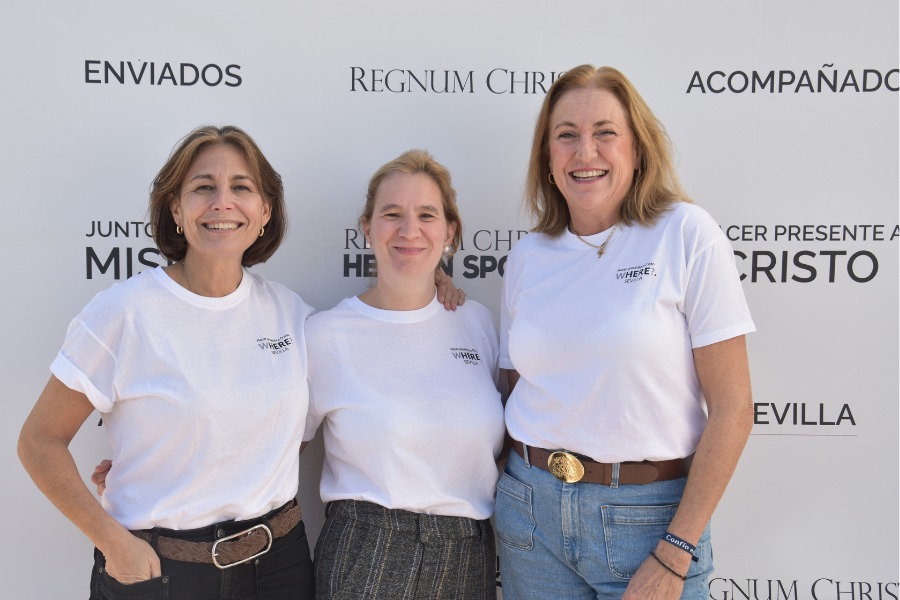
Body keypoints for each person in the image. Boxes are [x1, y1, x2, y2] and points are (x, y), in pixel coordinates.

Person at [18, 125, 317, 599]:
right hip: (159, 573)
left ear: (265, 211)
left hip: (280, 566)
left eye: (241, 187)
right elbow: (38, 441)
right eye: (203, 187)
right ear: (176, 209)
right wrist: (114, 544)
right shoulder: (124, 312)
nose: (223, 202)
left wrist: (176, 460)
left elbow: (287, 433)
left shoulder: (293, 314)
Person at [495, 65, 755, 599]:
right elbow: (510, 386)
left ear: (637, 148)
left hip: (650, 522)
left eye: (605, 133)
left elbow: (734, 408)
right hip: (530, 511)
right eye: (566, 135)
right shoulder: (527, 258)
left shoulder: (686, 234)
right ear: (547, 156)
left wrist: (677, 548)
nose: (584, 152)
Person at [303, 149, 505, 599]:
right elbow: (275, 451)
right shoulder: (325, 335)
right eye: (392, 214)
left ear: (449, 231)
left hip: (469, 553)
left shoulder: (477, 323)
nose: (409, 230)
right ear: (367, 228)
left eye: (426, 215)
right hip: (367, 549)